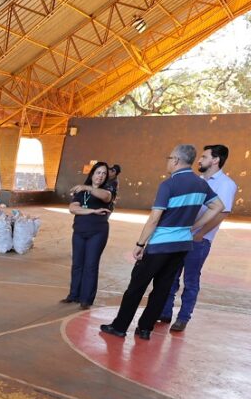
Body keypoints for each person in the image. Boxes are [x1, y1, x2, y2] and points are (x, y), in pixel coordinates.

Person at [100, 145, 225, 340]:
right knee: (162, 288)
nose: (168, 162)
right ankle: (145, 329)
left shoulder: (169, 185)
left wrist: (140, 244)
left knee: (137, 286)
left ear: (176, 160)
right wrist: (194, 226)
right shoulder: (201, 184)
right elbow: (218, 206)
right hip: (182, 245)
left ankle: (120, 326)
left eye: (169, 158)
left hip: (160, 245)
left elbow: (154, 218)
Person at [159, 145, 237, 332]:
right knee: (171, 275)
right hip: (182, 236)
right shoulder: (199, 180)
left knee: (191, 280)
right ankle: (165, 312)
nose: (199, 160)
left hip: (199, 241)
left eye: (204, 157)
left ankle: (183, 317)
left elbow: (221, 213)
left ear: (215, 160)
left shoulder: (226, 184)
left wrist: (200, 233)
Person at [62, 161, 114, 309]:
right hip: (79, 231)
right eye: (98, 172)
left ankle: (86, 299)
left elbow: (105, 196)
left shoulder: (108, 190)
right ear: (92, 174)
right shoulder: (81, 192)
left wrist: (87, 187)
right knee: (77, 264)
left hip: (97, 233)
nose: (101, 176)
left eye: (104, 173)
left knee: (90, 265)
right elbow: (73, 208)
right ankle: (74, 295)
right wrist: (92, 211)